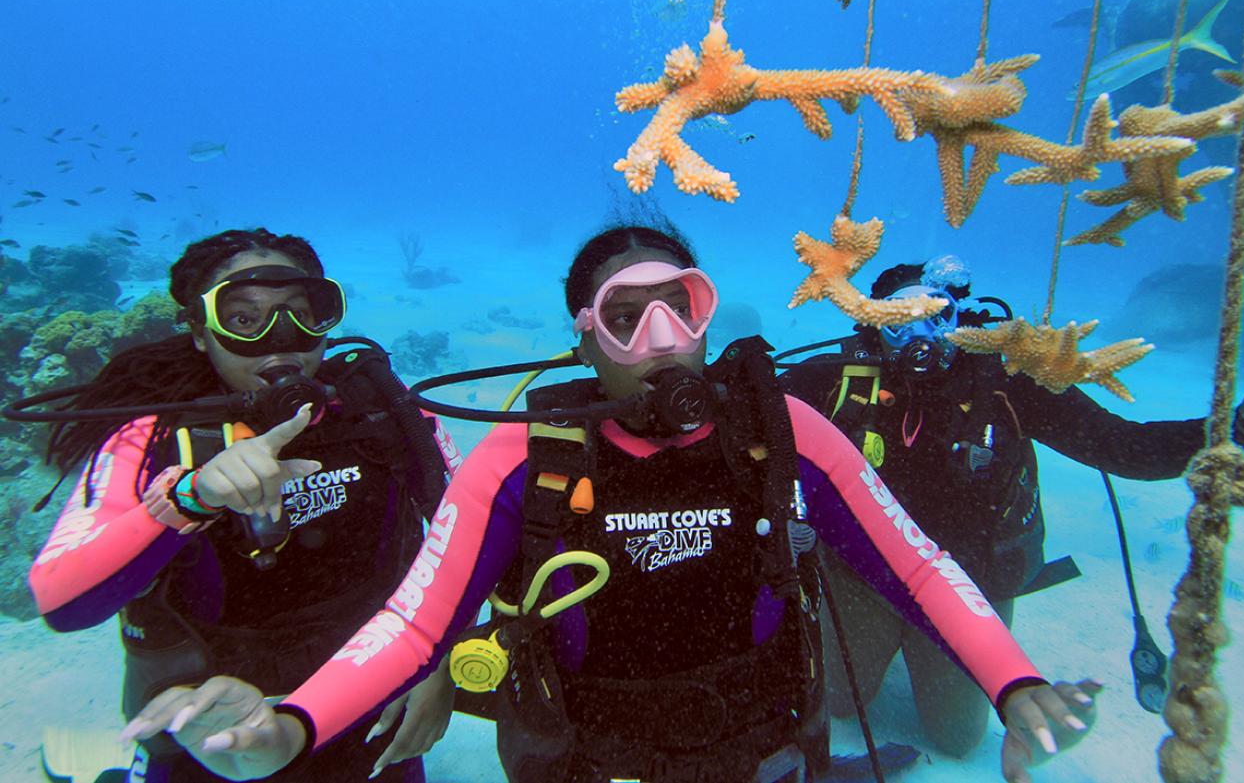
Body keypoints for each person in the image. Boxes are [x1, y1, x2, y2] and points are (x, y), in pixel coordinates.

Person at [122, 224, 1100, 783]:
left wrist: (1014, 686)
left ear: (709, 313)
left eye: (683, 305)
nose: (662, 339)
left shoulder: (781, 430)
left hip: (758, 740)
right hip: (585, 755)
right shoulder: (522, 453)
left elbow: (918, 564)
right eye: (625, 319)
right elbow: (416, 620)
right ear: (583, 341)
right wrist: (294, 725)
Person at [776, 254, 1244, 759]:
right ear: (871, 329)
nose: (920, 337)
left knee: (956, 737)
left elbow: (1123, 447)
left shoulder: (1007, 383)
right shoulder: (841, 380)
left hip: (975, 578)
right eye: (899, 321)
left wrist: (1242, 429)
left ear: (963, 318)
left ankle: (921, 649)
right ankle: (875, 640)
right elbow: (753, 412)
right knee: (842, 703)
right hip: (865, 575)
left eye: (936, 316)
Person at [26, 228, 464, 783]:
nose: (281, 340)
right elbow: (63, 603)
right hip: (203, 727)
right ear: (199, 332)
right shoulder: (152, 438)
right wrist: (190, 497)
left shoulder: (386, 416)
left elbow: (471, 544)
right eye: (243, 319)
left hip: (371, 702)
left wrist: (438, 665)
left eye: (302, 313)